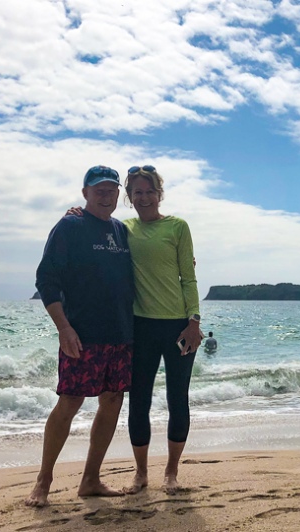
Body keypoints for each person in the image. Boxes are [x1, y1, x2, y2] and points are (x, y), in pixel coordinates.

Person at [25, 165, 134, 507]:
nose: (106, 195)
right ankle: (43, 481)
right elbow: (46, 280)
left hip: (120, 333)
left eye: (112, 189)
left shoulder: (122, 231)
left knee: (112, 400)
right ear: (85, 193)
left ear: (119, 194)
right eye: (98, 189)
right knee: (70, 402)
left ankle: (91, 479)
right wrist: (63, 328)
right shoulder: (69, 226)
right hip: (81, 335)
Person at [122, 165, 202, 495]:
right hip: (140, 326)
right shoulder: (121, 228)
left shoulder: (178, 227)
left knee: (176, 399)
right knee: (138, 401)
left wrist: (194, 321)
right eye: (137, 192)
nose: (143, 197)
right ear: (129, 197)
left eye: (149, 191)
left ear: (159, 193)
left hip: (178, 326)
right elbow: (91, 229)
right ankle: (140, 473)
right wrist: (75, 212)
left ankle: (171, 472)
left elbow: (189, 276)